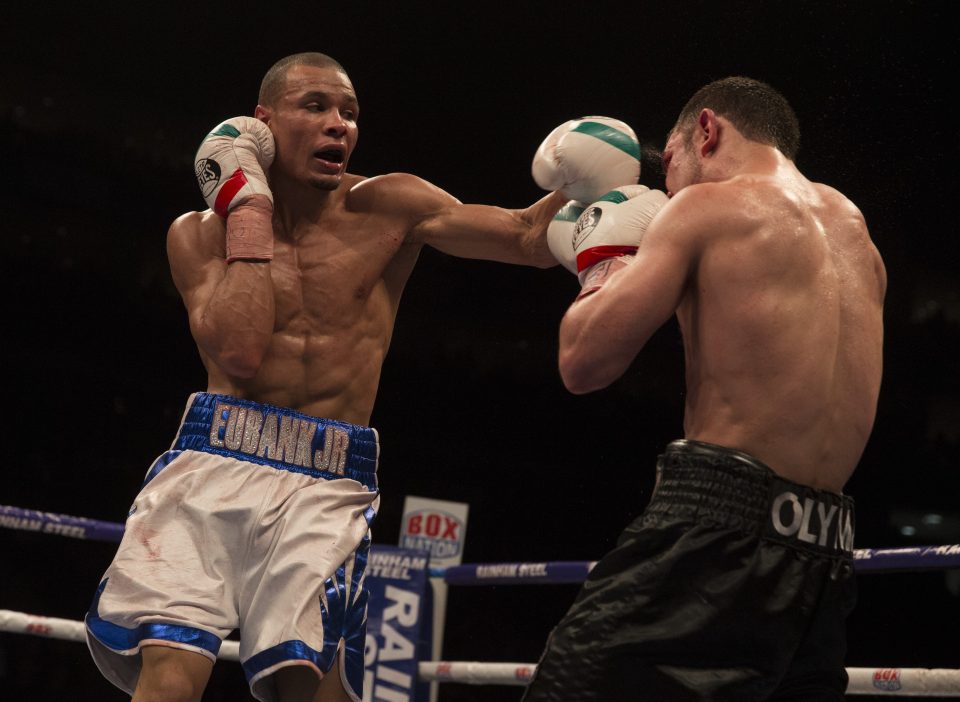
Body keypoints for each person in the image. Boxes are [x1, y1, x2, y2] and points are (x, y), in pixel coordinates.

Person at [82, 52, 637, 702]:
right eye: (315, 106)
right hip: (213, 457)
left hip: (327, 473)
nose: (339, 124)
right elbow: (239, 351)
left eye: (349, 112)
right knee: (170, 670)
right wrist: (250, 207)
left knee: (306, 678)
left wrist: (587, 179)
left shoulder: (390, 205)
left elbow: (522, 237)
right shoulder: (198, 235)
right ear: (262, 122)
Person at [525, 76, 886, 701]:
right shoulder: (860, 238)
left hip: (716, 540)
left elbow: (582, 363)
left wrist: (604, 258)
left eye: (668, 165)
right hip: (825, 559)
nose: (665, 189)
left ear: (707, 132)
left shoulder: (705, 207)